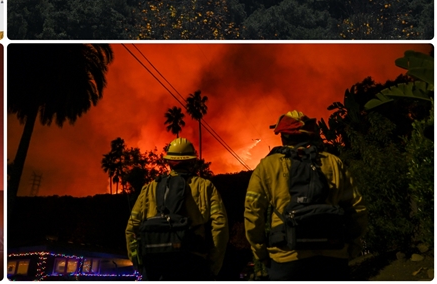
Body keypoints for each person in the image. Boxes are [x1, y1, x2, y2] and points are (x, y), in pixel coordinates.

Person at [244, 110, 367, 280]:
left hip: (286, 257)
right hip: (333, 255)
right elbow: (356, 208)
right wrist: (353, 245)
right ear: (310, 134)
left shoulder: (267, 166)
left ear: (282, 136)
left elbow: (253, 213)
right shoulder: (333, 162)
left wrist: (260, 252)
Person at [125, 137, 229, 280]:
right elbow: (220, 227)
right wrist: (213, 265)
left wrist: (139, 263)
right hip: (193, 264)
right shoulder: (205, 187)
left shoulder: (149, 189)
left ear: (168, 161)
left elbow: (131, 228)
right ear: (192, 161)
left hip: (155, 266)